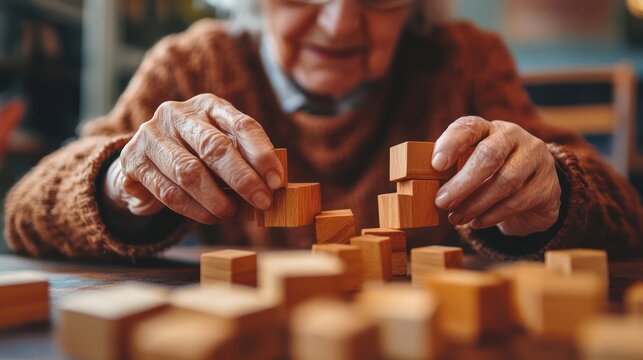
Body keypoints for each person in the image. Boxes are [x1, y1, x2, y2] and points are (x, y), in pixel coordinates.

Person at [5, 0, 643, 260]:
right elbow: (21, 213)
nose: (340, 24)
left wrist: (554, 190)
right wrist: (122, 182)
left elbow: (625, 212)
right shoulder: (189, 65)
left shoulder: (464, 63)